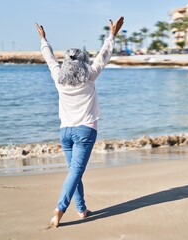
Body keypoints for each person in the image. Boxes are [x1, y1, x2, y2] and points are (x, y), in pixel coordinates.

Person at [35, 16, 124, 227]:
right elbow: (103, 56)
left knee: (74, 171)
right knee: (76, 171)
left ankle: (82, 209)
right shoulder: (90, 76)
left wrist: (43, 40)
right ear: (84, 61)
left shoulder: (58, 78)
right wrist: (112, 35)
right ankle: (60, 208)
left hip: (65, 132)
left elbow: (49, 60)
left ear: (65, 63)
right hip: (85, 131)